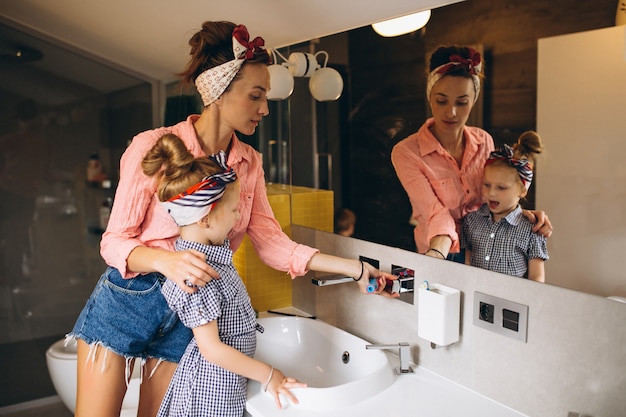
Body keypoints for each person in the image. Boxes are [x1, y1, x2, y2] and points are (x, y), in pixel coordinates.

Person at [68, 21, 396, 417]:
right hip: (128, 303)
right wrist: (166, 260)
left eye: (266, 96)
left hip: (189, 318)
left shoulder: (249, 163)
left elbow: (275, 245)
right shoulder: (153, 146)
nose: (265, 108)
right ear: (218, 93)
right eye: (256, 95)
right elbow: (114, 241)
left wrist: (357, 270)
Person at [141, 134, 306, 415]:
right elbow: (212, 349)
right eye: (232, 209)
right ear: (205, 217)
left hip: (227, 385)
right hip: (210, 394)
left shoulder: (215, 259)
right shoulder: (197, 274)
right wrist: (269, 374)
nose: (237, 216)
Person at [391, 45, 552, 263]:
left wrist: (518, 213)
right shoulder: (407, 152)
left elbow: (489, 197)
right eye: (441, 100)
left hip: (483, 247)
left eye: (462, 102)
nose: (451, 112)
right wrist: (436, 254)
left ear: (473, 100)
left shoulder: (483, 140)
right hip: (441, 251)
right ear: (430, 97)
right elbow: (435, 211)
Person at [461, 131, 548, 282]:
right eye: (487, 185)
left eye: (501, 188)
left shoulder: (532, 230)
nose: (491, 193)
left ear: (522, 190)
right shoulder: (471, 221)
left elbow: (537, 277)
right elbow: (467, 264)